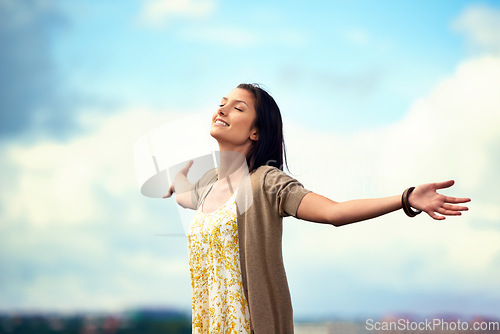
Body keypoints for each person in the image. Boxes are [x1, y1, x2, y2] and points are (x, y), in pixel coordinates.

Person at [163, 83, 470, 334]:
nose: (222, 109)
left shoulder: (266, 182)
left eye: (237, 108)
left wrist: (405, 198)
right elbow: (185, 195)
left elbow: (333, 212)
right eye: (222, 102)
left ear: (256, 132)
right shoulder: (207, 183)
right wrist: (177, 178)